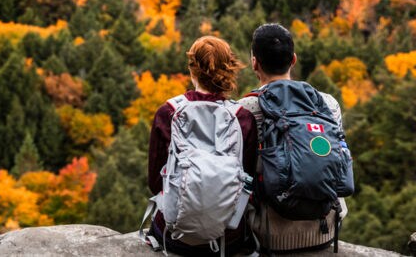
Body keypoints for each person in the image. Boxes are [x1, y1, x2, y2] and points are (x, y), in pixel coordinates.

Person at [239, 23, 349, 253]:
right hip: (324, 230)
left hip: (268, 234)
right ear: (294, 60)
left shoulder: (244, 109)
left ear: (254, 63)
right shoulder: (328, 104)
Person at [145, 36, 257, 256]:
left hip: (174, 236)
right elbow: (247, 181)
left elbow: (155, 182)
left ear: (192, 70)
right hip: (227, 236)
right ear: (228, 70)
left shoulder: (168, 112)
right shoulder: (242, 117)